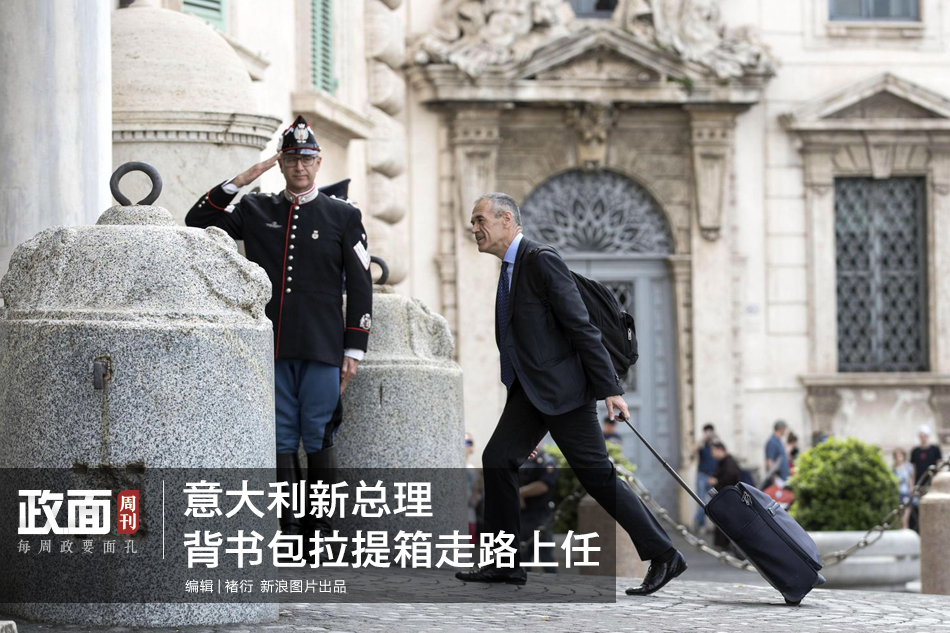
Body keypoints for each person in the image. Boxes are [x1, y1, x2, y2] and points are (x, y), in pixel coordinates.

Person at [455, 193, 685, 594]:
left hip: (564, 393)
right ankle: (505, 564)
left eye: (479, 219)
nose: (473, 228)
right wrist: (523, 422)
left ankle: (665, 554)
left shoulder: (540, 260)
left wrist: (611, 390)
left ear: (506, 219)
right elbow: (526, 350)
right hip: (533, 395)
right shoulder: (510, 270)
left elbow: (582, 328)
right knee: (498, 458)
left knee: (597, 476)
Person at [185, 115, 373, 547]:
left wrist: (355, 349)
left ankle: (322, 533)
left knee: (318, 431)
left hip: (324, 345)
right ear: (281, 162)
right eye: (291, 159)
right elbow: (197, 220)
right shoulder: (257, 208)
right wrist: (246, 177)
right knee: (283, 434)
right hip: (272, 344)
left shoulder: (343, 215)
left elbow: (360, 285)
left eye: (306, 159)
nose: (299, 167)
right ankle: (289, 530)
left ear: (319, 162)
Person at [518, 443, 559, 572]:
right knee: (523, 557)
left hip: (540, 515)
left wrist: (520, 493)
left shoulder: (546, 461)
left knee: (545, 555)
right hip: (522, 515)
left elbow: (543, 485)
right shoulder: (520, 460)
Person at [707, 441, 742, 550]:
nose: (712, 454)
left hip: (730, 498)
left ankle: (725, 544)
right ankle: (722, 544)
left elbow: (730, 477)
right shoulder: (722, 462)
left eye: (713, 451)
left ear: (720, 450)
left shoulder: (729, 462)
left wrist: (716, 481)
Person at [691, 423, 717, 531]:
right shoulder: (702, 446)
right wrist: (703, 439)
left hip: (713, 477)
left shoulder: (715, 446)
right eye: (707, 431)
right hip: (702, 475)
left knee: (716, 500)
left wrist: (716, 440)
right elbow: (692, 451)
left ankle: (715, 525)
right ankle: (700, 523)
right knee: (701, 501)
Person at [764, 420, 791, 487]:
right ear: (781, 429)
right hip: (779, 480)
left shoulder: (778, 441)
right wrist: (775, 479)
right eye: (785, 429)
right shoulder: (772, 442)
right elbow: (770, 461)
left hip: (783, 478)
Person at [465, 432, 482, 539]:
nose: (468, 445)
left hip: (469, 514)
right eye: (467, 442)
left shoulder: (470, 468)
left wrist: (474, 500)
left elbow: (475, 490)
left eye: (470, 442)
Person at [892, 447, 914, 530]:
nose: (898, 457)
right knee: (899, 519)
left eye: (900, 455)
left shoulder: (908, 467)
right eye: (897, 455)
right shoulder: (893, 468)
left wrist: (911, 492)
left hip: (906, 494)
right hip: (897, 494)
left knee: (905, 518)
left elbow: (911, 481)